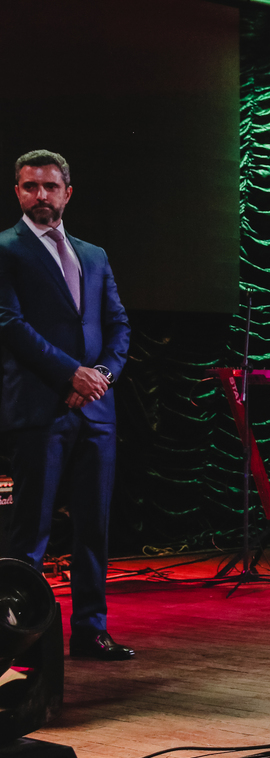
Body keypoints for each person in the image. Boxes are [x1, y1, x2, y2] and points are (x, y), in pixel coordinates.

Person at [0, 150, 133, 660]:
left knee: (93, 527)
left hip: (96, 411)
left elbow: (118, 325)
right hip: (40, 409)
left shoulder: (93, 255)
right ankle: (21, 638)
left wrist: (101, 377)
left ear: (67, 193)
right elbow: (9, 324)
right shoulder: (6, 249)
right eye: (30, 186)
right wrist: (69, 375)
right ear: (17, 191)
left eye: (50, 186)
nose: (41, 195)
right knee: (29, 533)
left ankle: (91, 632)